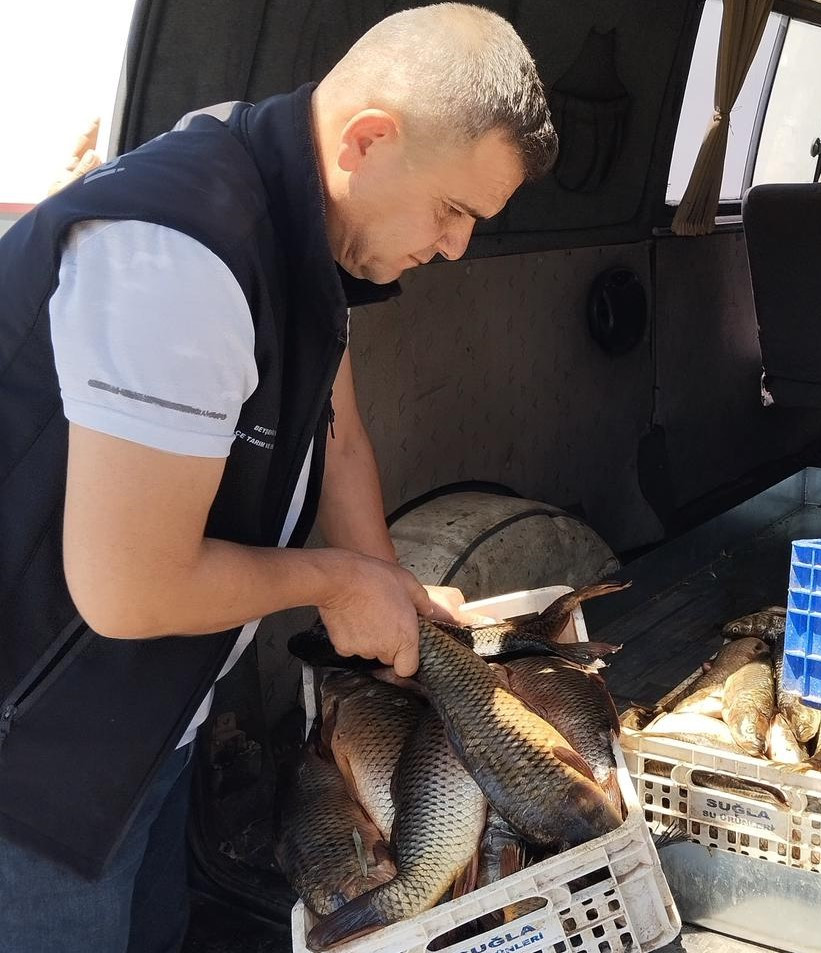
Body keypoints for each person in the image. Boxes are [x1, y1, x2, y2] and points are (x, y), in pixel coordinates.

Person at [0, 5, 557, 952]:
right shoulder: (184, 257)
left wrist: (392, 594)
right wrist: (338, 583)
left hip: (147, 726)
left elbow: (337, 435)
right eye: (452, 209)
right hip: (35, 758)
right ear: (367, 142)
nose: (457, 246)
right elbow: (127, 587)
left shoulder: (295, 203)